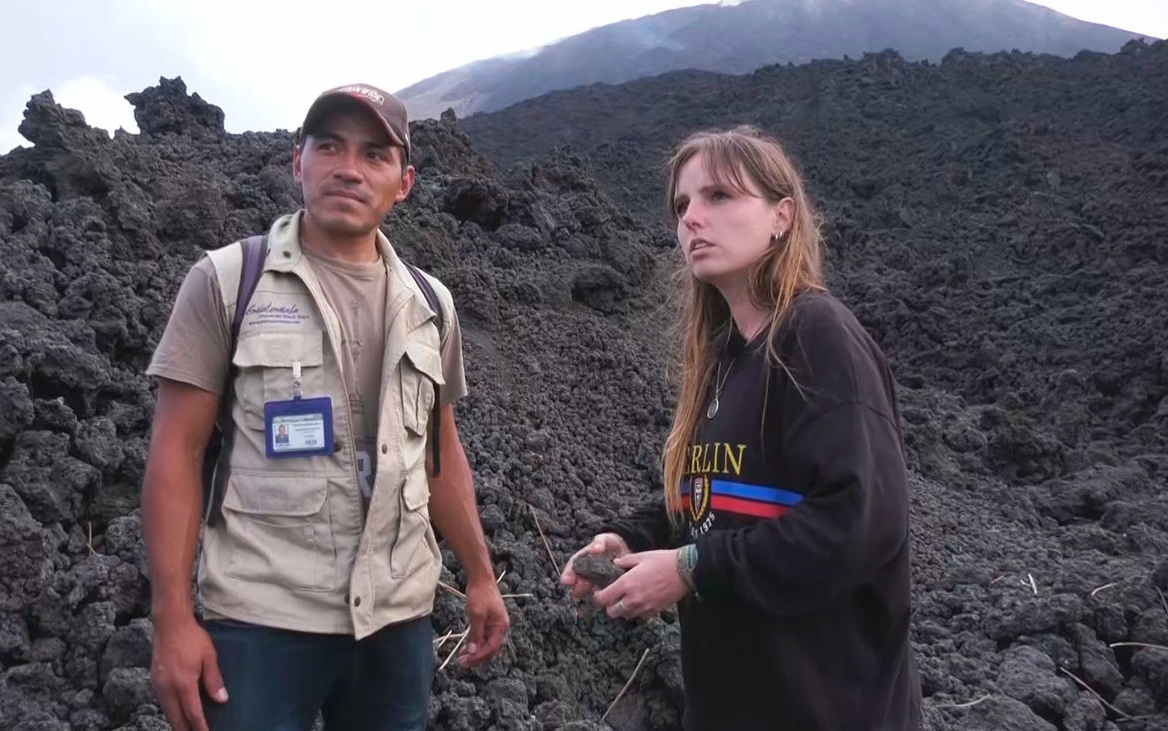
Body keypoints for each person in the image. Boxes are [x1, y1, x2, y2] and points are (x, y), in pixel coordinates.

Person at [141, 83, 509, 731]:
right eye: (330, 146)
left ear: (404, 182)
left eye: (374, 154)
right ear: (298, 162)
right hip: (260, 619)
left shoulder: (431, 304)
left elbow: (440, 454)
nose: (348, 167)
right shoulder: (229, 282)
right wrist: (172, 619)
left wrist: (480, 576)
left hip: (397, 620)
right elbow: (176, 451)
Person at [560, 125, 921, 730]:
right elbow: (718, 502)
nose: (692, 220)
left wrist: (689, 568)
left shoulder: (816, 336)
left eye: (719, 197)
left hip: (826, 706)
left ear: (782, 216)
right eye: (682, 205)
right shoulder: (725, 359)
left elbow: (857, 523)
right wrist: (631, 538)